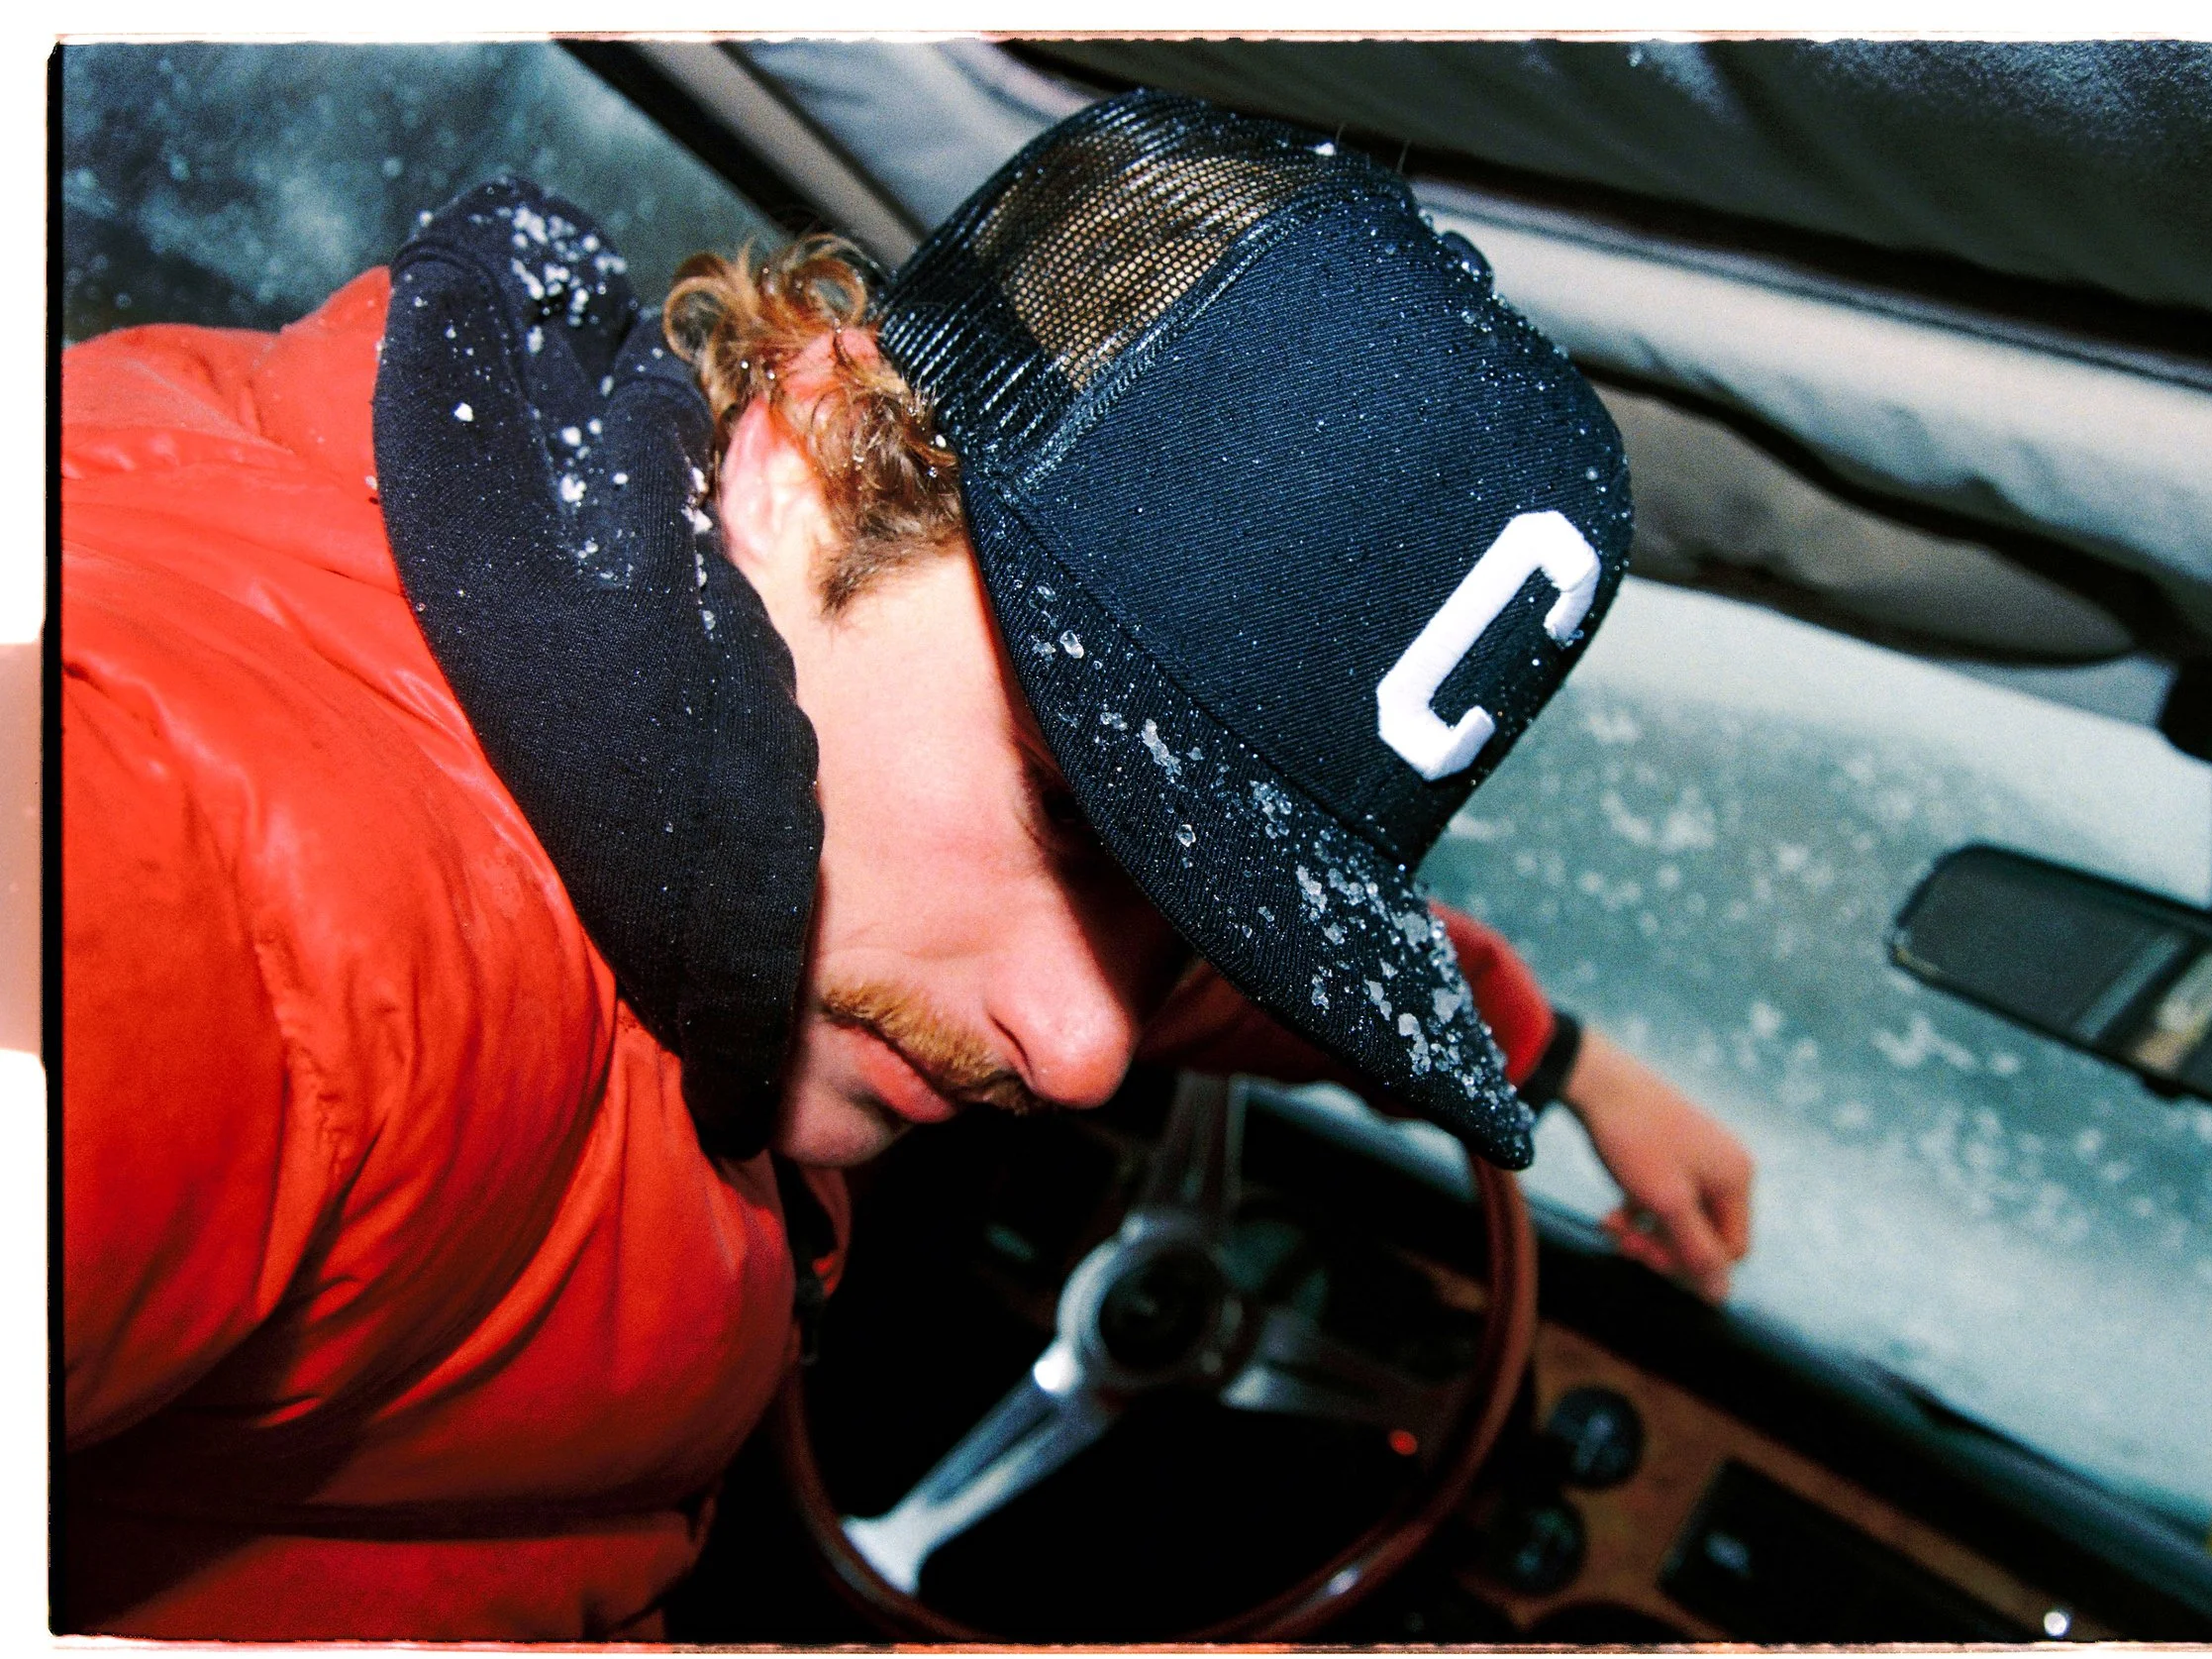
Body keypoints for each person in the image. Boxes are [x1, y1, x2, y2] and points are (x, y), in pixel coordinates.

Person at [58, 92, 1750, 1640]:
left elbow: (1166, 977)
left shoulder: (693, 731)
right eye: (1077, 810)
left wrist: (1568, 1060)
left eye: (1191, 910)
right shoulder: (251, 894)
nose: (1081, 1052)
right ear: (814, 452)